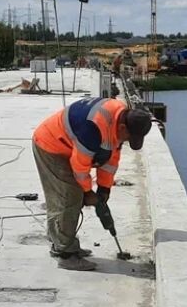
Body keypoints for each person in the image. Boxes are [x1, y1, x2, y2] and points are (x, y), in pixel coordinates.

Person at [32, 98, 153, 271]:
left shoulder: (119, 117)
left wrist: (104, 189)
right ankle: (65, 254)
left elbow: (111, 159)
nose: (126, 141)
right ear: (123, 128)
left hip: (69, 147)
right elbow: (80, 167)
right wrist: (88, 193)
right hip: (51, 145)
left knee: (72, 196)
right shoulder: (93, 128)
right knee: (70, 196)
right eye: (128, 137)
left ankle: (61, 241)